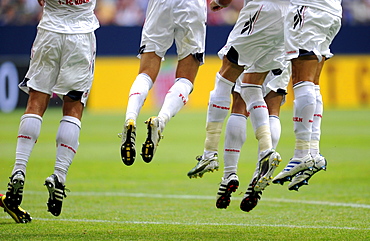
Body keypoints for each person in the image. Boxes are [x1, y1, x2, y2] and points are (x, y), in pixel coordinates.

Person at [188, 0, 289, 212]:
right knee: (267, 98)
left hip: (262, 12)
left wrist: (219, 2)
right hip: (290, 22)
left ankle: (215, 159)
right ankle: (266, 154)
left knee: (227, 82)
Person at [4, 0, 99, 217]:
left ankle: (19, 169)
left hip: (49, 32)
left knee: (35, 102)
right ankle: (59, 176)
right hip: (81, 35)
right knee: (74, 107)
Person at [119, 0, 207, 165]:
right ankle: (160, 121)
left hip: (160, 4)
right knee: (186, 79)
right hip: (192, 5)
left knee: (146, 73)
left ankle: (130, 118)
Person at [272, 0, 342, 190]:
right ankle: (313, 152)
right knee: (313, 82)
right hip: (333, 11)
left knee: (301, 79)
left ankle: (301, 153)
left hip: (308, 8)